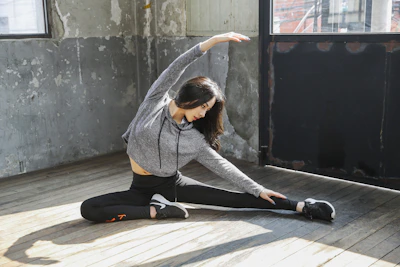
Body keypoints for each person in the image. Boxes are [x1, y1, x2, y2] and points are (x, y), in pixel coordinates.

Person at [80, 32, 335, 223]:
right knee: (88, 209)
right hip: (141, 188)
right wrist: (210, 42)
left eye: (207, 111)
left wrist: (257, 188)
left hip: (171, 185)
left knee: (235, 200)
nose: (204, 115)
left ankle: (302, 206)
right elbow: (175, 68)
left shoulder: (194, 138)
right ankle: (157, 211)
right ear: (192, 99)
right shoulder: (154, 102)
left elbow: (222, 166)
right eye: (203, 108)